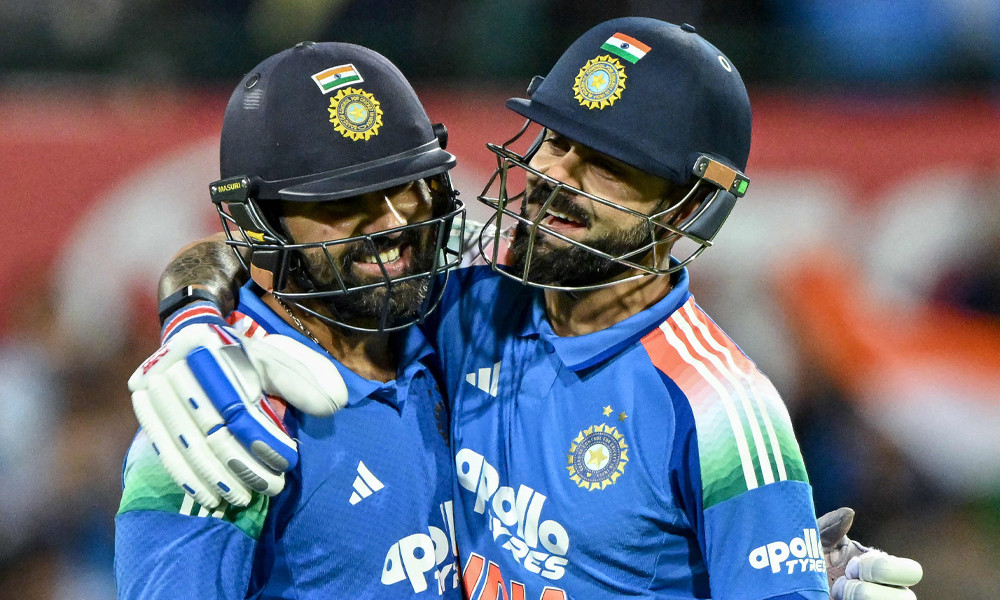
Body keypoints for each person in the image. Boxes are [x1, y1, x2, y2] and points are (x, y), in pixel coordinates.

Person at [127, 19, 923, 600]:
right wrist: (192, 320)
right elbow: (288, 256)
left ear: (686, 206)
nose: (553, 175)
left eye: (606, 165)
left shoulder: (721, 409)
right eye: (555, 139)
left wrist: (779, 569)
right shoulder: (465, 306)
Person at [115, 41, 467, 598]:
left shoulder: (451, 326)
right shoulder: (216, 407)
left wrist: (189, 304)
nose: (393, 223)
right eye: (343, 199)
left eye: (405, 185)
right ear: (261, 224)